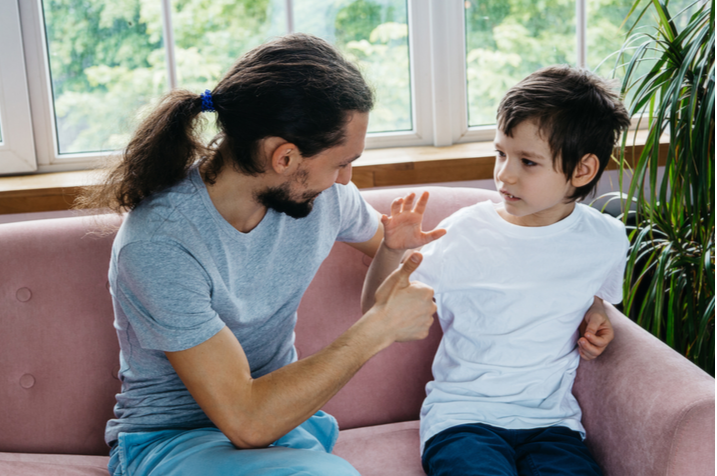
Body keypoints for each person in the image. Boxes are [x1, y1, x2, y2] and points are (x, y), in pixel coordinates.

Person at [77, 33, 442, 476]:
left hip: (287, 425)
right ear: (284, 157)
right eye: (341, 162)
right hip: (173, 441)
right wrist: (378, 329)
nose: (346, 179)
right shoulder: (159, 243)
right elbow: (247, 422)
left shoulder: (324, 199)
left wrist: (392, 248)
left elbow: (388, 277)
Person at [361, 65, 631, 476]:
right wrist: (390, 250)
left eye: (527, 161)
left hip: (552, 424)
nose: (505, 174)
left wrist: (598, 314)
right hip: (462, 420)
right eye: (500, 153)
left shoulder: (607, 239)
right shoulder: (463, 231)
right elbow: (374, 312)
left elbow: (592, 292)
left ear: (582, 170)